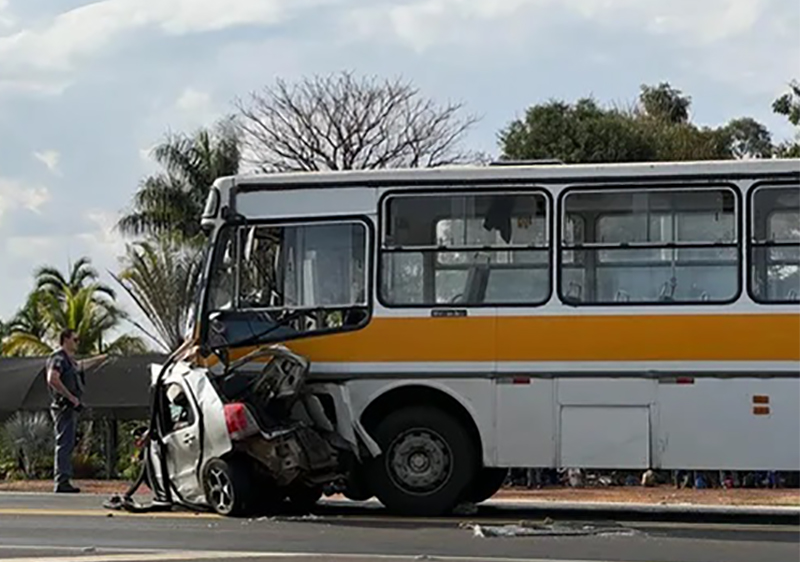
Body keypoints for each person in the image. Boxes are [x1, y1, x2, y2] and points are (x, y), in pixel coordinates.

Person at [46, 329, 108, 493]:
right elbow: (52, 378)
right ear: (65, 339)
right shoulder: (58, 358)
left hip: (70, 407)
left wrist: (100, 359)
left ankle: (64, 479)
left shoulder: (69, 360)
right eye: (75, 339)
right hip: (63, 406)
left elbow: (81, 366)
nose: (77, 342)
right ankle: (61, 481)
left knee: (67, 443)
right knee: (64, 443)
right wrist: (70, 397)